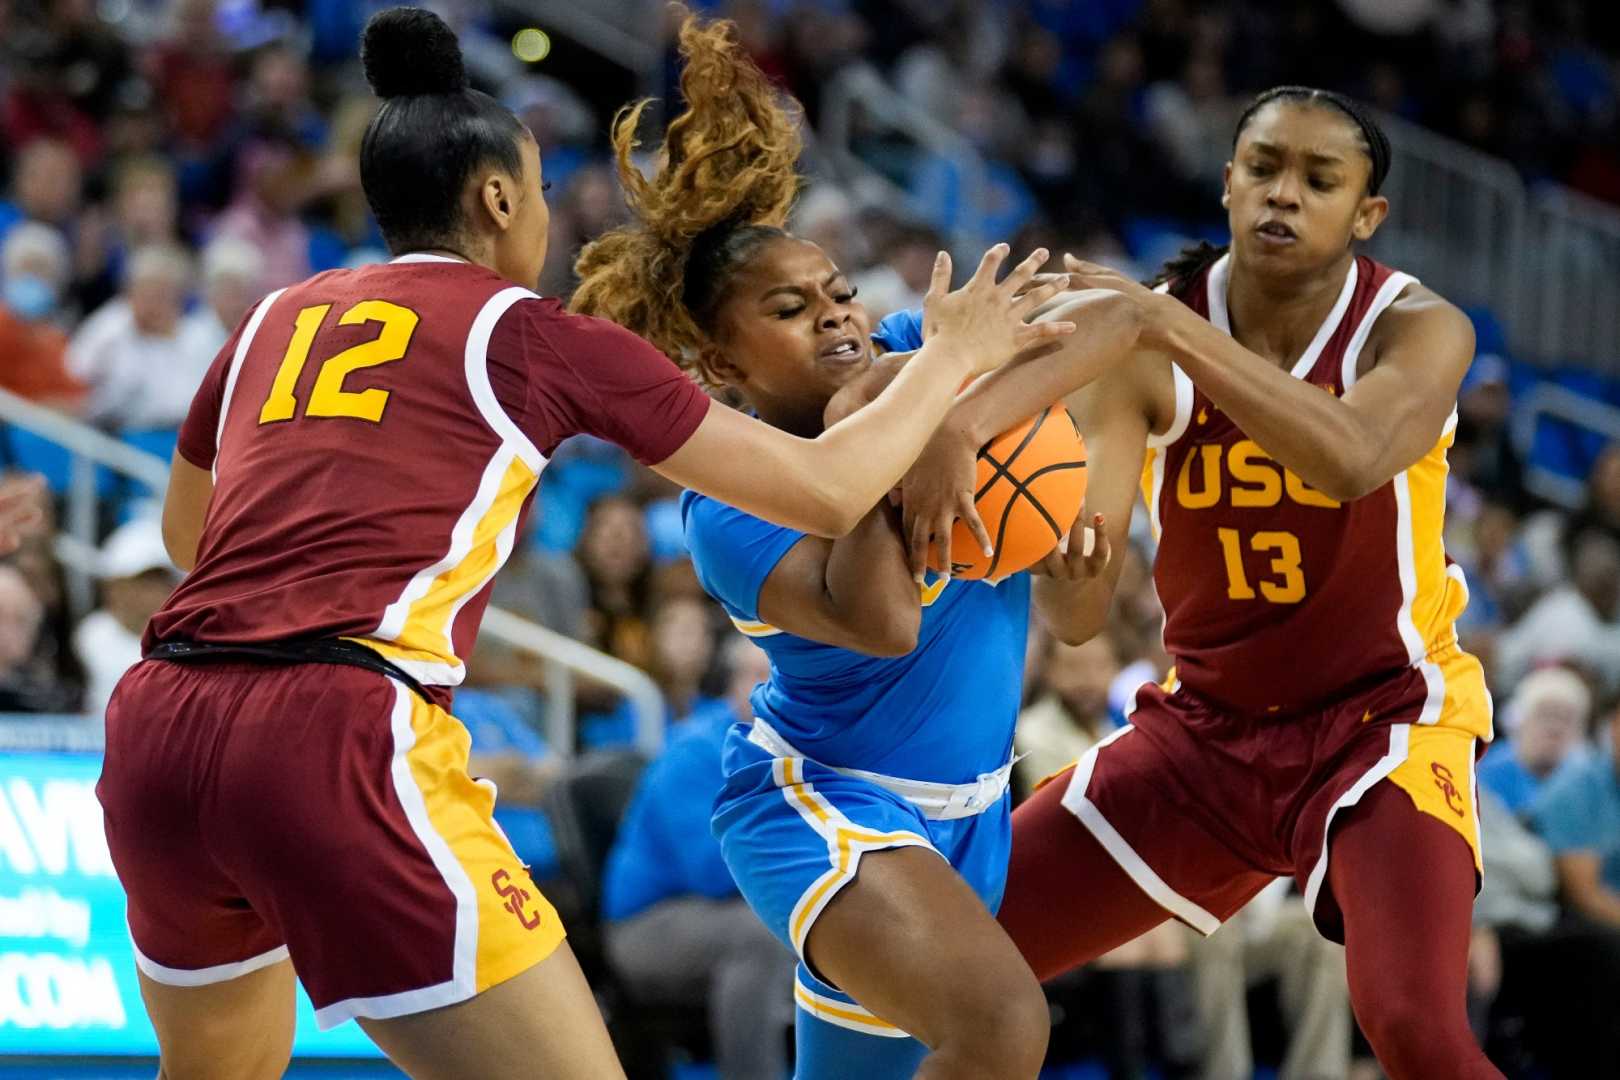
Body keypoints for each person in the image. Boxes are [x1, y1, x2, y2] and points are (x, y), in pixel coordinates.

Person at [90, 9, 1071, 1080]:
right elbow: (832, 491)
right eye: (544, 196)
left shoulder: (274, 315)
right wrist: (951, 366)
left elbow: (194, 534)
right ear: (499, 197)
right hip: (331, 724)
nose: (547, 220)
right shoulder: (527, 332)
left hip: (157, 728)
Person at [571, 15, 1141, 1077]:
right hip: (822, 803)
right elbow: (885, 624)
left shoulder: (918, 352)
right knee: (1005, 1027)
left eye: (838, 292)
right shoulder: (723, 504)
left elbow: (1119, 317)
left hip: (973, 810)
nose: (841, 320)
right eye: (792, 311)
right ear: (717, 359)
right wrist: (893, 415)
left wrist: (960, 421)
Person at [964, 86, 1504, 1079]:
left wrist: (1160, 328)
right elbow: (1080, 623)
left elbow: (1350, 457)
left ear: (1366, 214)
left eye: (1317, 179)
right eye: (1263, 168)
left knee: (1414, 1029)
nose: (1283, 195)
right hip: (1207, 734)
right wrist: (1063, 561)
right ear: (1226, 184)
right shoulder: (1142, 342)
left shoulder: (1417, 328)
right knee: (952, 965)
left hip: (1383, 723)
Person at [601, 637, 797, 1080]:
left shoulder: (791, 751)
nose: (770, 691)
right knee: (761, 935)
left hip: (733, 907)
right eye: (757, 677)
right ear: (733, 684)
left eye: (781, 680)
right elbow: (712, 872)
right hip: (648, 925)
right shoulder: (694, 752)